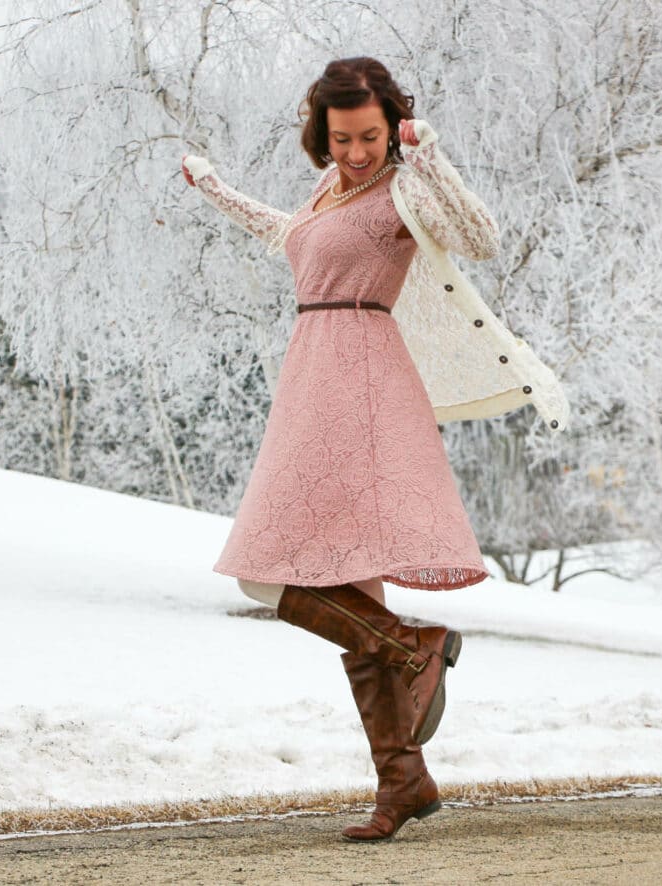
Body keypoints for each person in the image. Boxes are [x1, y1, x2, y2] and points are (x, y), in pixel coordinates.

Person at [182, 56, 567, 842]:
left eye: (369, 136)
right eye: (341, 137)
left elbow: (482, 238)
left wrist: (428, 155)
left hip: (357, 377)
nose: (356, 150)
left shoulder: (403, 187)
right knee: (345, 585)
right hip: (315, 373)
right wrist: (216, 192)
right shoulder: (331, 191)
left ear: (392, 125)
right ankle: (404, 780)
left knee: (268, 574)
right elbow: (290, 236)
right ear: (320, 136)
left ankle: (417, 646)